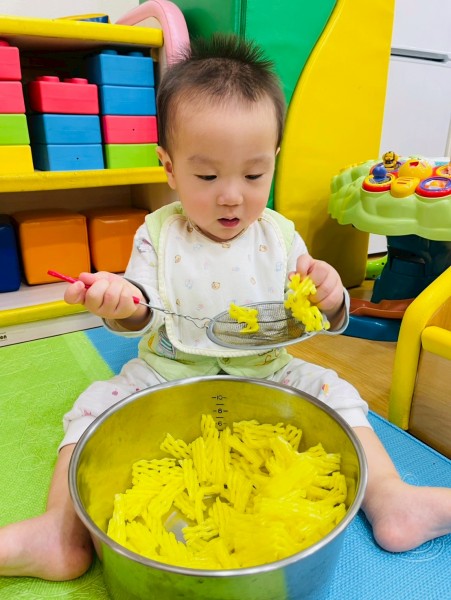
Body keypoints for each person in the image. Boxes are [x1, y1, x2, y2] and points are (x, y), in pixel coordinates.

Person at [1, 34, 450, 583]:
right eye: (208, 176)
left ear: (273, 162)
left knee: (337, 392)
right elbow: (140, 310)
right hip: (168, 374)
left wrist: (330, 293)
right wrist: (118, 301)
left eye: (253, 175)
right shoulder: (158, 233)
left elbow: (322, 311)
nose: (232, 195)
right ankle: (61, 532)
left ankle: (392, 500)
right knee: (93, 406)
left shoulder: (279, 235)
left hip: (269, 372)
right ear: (169, 167)